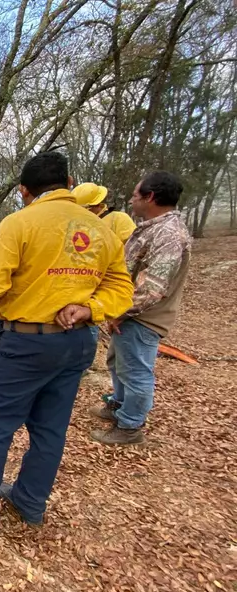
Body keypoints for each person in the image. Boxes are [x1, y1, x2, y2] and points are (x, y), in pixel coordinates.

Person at [0, 152, 134, 534]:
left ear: (23, 190)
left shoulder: (19, 223)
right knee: (50, 428)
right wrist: (90, 308)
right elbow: (122, 288)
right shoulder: (101, 230)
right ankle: (30, 501)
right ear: (70, 182)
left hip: (24, 342)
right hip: (78, 342)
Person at [90, 172, 191, 446]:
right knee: (119, 364)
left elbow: (152, 289)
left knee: (135, 372)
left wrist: (119, 311)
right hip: (128, 315)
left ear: (151, 197)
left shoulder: (169, 235)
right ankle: (119, 405)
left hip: (142, 318)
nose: (131, 200)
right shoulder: (151, 228)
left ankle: (130, 427)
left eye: (135, 195)